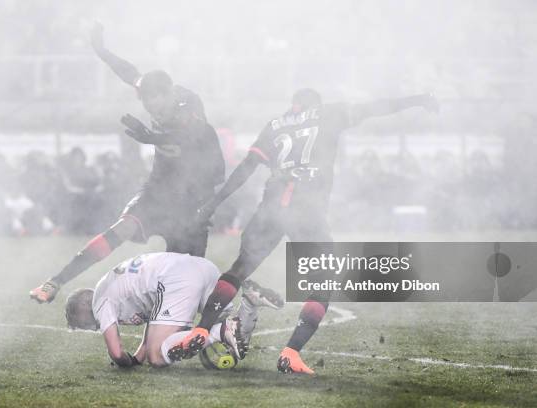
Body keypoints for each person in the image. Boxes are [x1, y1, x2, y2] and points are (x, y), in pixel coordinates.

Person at [173, 88, 439, 373]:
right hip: (306, 209)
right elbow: (376, 106)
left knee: (239, 268)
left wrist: (213, 203)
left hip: (271, 206)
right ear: (316, 103)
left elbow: (245, 169)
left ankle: (201, 330)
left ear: (293, 105)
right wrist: (415, 100)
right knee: (323, 281)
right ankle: (291, 352)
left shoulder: (274, 125)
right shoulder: (329, 113)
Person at [30, 23, 225, 303]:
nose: (152, 107)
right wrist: (102, 51)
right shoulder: (149, 89)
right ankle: (55, 282)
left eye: (157, 101)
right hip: (159, 188)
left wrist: (154, 137)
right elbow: (129, 72)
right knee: (123, 227)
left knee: (186, 284)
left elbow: (193, 136)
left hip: (192, 199)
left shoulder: (189, 105)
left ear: (171, 92)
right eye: (147, 102)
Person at [64, 252, 246, 368]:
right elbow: (155, 317)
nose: (88, 328)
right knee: (222, 318)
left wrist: (126, 362)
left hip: (177, 278)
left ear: (82, 306)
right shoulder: (110, 288)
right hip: (201, 267)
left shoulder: (99, 302)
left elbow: (117, 353)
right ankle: (250, 305)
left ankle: (220, 332)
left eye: (80, 323)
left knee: (157, 356)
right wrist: (136, 358)